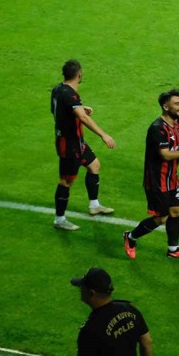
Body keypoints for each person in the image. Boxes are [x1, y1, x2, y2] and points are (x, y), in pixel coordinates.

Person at [123, 90, 179, 259]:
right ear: (165, 107)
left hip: (172, 178)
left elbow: (178, 147)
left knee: (175, 212)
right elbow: (165, 155)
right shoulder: (157, 128)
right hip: (157, 180)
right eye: (177, 104)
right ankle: (131, 237)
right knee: (161, 217)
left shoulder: (175, 125)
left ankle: (173, 250)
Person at [51, 60, 115, 231]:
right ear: (79, 75)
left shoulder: (58, 89)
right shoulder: (70, 94)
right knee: (66, 181)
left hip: (76, 142)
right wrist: (103, 135)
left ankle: (94, 205)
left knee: (94, 166)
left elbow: (58, 110)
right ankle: (59, 219)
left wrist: (79, 107)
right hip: (69, 144)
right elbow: (83, 118)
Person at [70, 267, 152, 356]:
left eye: (82, 287)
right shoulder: (129, 309)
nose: (80, 290)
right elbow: (146, 342)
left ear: (91, 293)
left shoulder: (90, 329)